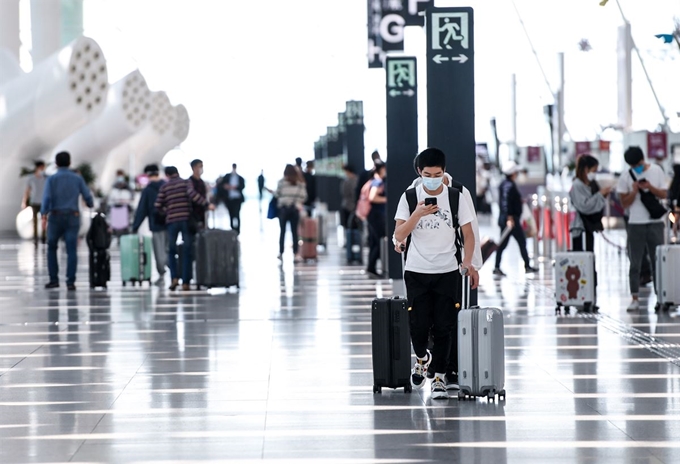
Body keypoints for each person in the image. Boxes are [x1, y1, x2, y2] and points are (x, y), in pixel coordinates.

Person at [394, 147, 479, 400]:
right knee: (417, 325)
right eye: (428, 174)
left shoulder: (456, 197)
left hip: (447, 271)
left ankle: (440, 377)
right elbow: (399, 235)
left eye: (438, 174)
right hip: (417, 270)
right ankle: (422, 358)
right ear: (420, 173)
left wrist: (467, 262)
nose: (433, 178)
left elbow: (469, 233)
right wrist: (417, 214)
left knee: (445, 326)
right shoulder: (409, 198)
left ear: (444, 172)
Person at [616, 146, 667, 311]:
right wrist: (634, 191)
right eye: (632, 165)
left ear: (642, 159)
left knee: (657, 260)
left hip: (655, 222)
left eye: (636, 164)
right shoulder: (625, 177)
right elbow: (624, 204)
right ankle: (635, 297)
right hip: (635, 223)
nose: (635, 168)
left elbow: (664, 195)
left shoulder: (657, 171)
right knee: (634, 262)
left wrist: (649, 187)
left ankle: (661, 297)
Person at [155, 166, 214, 291]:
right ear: (177, 172)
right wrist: (207, 204)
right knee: (187, 250)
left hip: (171, 221)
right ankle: (186, 282)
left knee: (171, 251)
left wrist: (167, 211)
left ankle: (174, 278)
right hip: (186, 220)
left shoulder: (164, 187)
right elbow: (194, 196)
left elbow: (158, 205)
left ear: (167, 175)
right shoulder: (185, 183)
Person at [41, 151, 94, 290]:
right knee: (72, 249)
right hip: (73, 216)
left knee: (52, 247)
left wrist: (43, 214)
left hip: (55, 217)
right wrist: (90, 204)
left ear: (56, 164)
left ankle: (54, 280)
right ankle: (70, 281)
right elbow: (87, 195)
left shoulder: (51, 179)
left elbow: (46, 198)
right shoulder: (77, 178)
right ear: (70, 163)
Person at [493, 161, 539, 276]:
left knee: (509, 243)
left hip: (508, 219)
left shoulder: (505, 184)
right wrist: (509, 217)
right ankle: (525, 266)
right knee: (516, 242)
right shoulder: (509, 185)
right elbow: (505, 202)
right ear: (513, 173)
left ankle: (498, 267)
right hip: (510, 220)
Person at [131, 164, 168, 286]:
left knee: (159, 250)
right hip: (170, 223)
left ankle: (162, 273)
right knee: (168, 249)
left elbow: (142, 210)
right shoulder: (166, 186)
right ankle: (173, 271)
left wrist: (135, 226)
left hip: (156, 224)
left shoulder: (148, 190)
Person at [569, 154, 612, 252]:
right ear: (586, 169)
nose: (595, 173)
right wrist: (600, 195)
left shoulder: (591, 184)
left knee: (589, 255)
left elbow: (593, 204)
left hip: (589, 226)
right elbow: (584, 206)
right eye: (594, 170)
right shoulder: (577, 185)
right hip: (580, 227)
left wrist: (602, 196)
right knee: (581, 258)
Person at [272, 164, 307, 261]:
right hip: (294, 210)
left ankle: (281, 252)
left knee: (282, 231)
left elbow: (276, 194)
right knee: (294, 232)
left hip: (283, 210)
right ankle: (296, 253)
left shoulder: (281, 182)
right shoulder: (300, 184)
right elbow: (304, 197)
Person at [366, 162, 387, 277]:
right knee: (378, 241)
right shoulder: (378, 182)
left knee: (374, 242)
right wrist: (386, 199)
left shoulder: (373, 181)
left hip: (373, 215)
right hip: (376, 215)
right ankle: (372, 267)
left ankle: (371, 267)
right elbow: (372, 197)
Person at [22, 160, 47, 243]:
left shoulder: (46, 177)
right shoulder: (31, 178)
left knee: (44, 219)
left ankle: (44, 236)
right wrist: (24, 201)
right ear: (38, 167)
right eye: (42, 167)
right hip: (34, 201)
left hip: (43, 201)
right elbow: (28, 190)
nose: (43, 169)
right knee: (35, 220)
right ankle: (35, 236)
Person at [219, 163, 245, 234]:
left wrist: (235, 187)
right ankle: (232, 229)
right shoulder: (227, 177)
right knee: (231, 214)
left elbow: (242, 186)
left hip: (237, 199)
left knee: (237, 214)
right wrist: (226, 187)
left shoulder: (240, 178)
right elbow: (221, 185)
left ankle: (238, 230)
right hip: (229, 199)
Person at [107, 170, 133, 236]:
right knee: (116, 225)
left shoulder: (127, 186)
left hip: (124, 208)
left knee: (124, 225)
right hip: (115, 208)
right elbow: (111, 197)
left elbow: (131, 196)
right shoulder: (113, 186)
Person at [189, 159, 209, 231]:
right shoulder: (190, 181)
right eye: (200, 166)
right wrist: (206, 204)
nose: (201, 169)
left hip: (202, 213)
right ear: (194, 168)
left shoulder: (202, 182)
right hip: (193, 214)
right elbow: (192, 194)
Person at [340, 164, 358, 230]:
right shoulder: (347, 180)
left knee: (352, 225)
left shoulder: (353, 180)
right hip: (347, 205)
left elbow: (353, 193)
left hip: (351, 206)